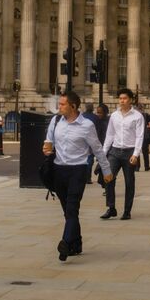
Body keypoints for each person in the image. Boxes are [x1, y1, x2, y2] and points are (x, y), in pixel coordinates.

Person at [44, 90, 112, 261]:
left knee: (72, 207)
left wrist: (106, 171)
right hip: (59, 170)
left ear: (73, 106)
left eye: (62, 104)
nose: (59, 107)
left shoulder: (86, 126)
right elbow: (48, 141)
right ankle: (77, 243)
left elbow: (97, 149)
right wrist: (46, 149)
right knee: (68, 212)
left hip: (78, 170)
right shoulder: (56, 120)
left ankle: (65, 243)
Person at [101, 88, 145, 220]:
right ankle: (111, 207)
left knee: (129, 182)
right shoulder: (114, 116)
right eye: (120, 98)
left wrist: (136, 154)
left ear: (130, 100)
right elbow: (110, 135)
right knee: (108, 178)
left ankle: (127, 211)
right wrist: (103, 152)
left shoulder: (137, 116)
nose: (122, 101)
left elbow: (139, 136)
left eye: (125, 98)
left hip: (129, 152)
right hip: (114, 151)